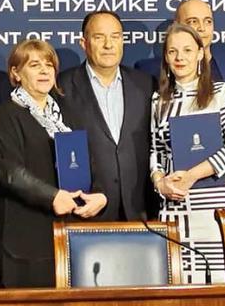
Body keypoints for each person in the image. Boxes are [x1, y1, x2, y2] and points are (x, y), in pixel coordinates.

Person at [0, 39, 107, 288]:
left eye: (49, 65)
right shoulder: (6, 114)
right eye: (34, 65)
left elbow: (88, 160)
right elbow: (10, 171)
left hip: (70, 232)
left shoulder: (66, 113)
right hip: (27, 239)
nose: (44, 71)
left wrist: (99, 194)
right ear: (16, 73)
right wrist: (52, 197)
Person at [150, 22, 225, 284]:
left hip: (215, 209)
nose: (180, 58)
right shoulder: (159, 101)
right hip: (174, 208)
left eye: (187, 50)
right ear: (165, 57)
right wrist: (160, 182)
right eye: (172, 51)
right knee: (179, 289)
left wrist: (192, 175)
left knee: (219, 286)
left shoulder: (221, 92)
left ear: (201, 53)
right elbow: (155, 151)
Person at [58, 12, 154, 222]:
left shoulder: (146, 84)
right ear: (83, 43)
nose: (108, 45)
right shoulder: (61, 88)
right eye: (99, 37)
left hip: (140, 211)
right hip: (87, 208)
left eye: (115, 36)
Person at [136, 0, 225, 109]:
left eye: (208, 21)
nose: (202, 28)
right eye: (193, 21)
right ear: (177, 26)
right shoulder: (148, 73)